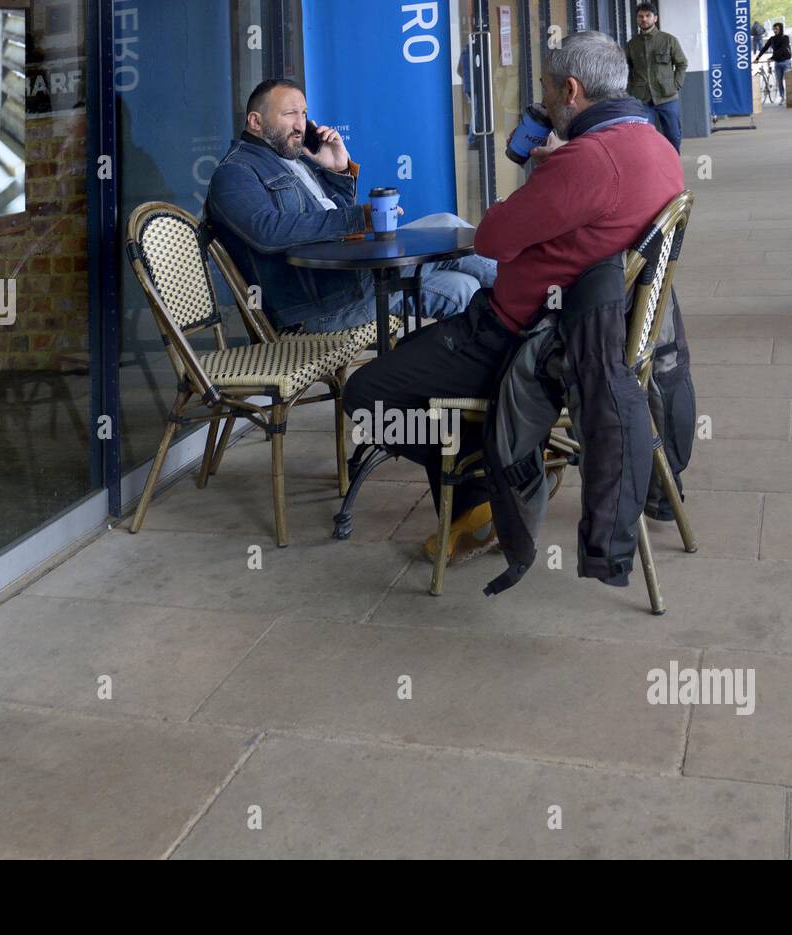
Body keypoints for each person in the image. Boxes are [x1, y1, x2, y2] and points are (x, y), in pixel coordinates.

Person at [344, 32, 684, 562]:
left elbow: (493, 239)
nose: (541, 102)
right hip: (595, 336)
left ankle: (485, 485)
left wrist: (547, 170)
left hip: (517, 341)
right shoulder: (653, 143)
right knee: (425, 376)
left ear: (571, 90)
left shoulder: (590, 159)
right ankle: (499, 461)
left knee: (367, 395)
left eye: (546, 89)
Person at [206, 79, 495, 335]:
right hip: (316, 308)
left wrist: (338, 169)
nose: (300, 124)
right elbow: (266, 231)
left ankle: (469, 383)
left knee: (462, 289)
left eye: (304, 113)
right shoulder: (235, 172)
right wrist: (359, 218)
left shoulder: (298, 160)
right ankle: (531, 296)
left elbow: (336, 228)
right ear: (255, 122)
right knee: (447, 224)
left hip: (350, 284)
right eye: (289, 114)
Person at [624, 2, 688, 153]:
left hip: (667, 96)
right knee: (645, 137)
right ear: (637, 19)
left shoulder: (668, 40)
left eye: (648, 16)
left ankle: (673, 164)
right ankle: (654, 167)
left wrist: (676, 85)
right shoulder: (632, 44)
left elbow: (682, 63)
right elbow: (625, 69)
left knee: (673, 134)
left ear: (655, 18)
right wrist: (630, 90)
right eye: (640, 16)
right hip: (643, 99)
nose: (644, 19)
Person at [753, 22, 792, 104]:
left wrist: (772, 58)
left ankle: (791, 97)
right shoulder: (772, 39)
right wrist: (757, 58)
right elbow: (764, 48)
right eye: (774, 29)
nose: (775, 30)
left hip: (786, 62)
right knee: (779, 81)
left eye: (777, 29)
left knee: (788, 80)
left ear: (780, 29)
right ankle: (782, 97)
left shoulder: (785, 38)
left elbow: (782, 49)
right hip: (777, 63)